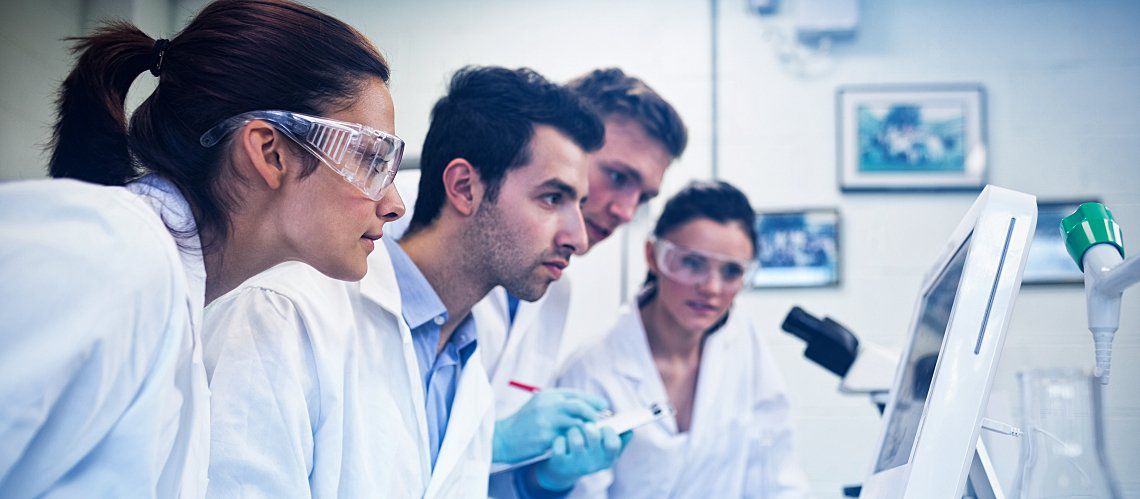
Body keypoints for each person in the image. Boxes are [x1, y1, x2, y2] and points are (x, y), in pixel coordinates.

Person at [0, 0, 403, 497]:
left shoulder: (173, 304)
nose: (393, 203)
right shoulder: (110, 252)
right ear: (269, 152)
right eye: (371, 159)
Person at [202, 65, 617, 497]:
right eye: (552, 198)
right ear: (464, 187)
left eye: (579, 204)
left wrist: (543, 483)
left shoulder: (463, 364)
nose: (579, 237)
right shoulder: (282, 313)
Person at [475, 68, 687, 497]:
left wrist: (547, 480)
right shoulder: (391, 236)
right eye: (618, 177)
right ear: (566, 140)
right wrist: (489, 440)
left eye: (644, 197)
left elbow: (491, 483)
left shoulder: (552, 289)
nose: (627, 211)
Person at [556, 181, 812, 498]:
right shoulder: (591, 370)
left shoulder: (744, 346)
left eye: (731, 271)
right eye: (692, 263)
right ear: (652, 255)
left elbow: (778, 476)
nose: (712, 288)